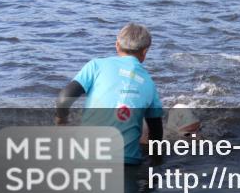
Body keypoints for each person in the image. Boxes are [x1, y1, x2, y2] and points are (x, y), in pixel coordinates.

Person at [55, 23, 164, 165]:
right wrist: (156, 165)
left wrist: (61, 122)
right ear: (145, 51)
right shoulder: (149, 83)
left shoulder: (96, 66)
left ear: (117, 45)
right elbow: (156, 134)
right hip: (128, 162)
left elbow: (64, 99)